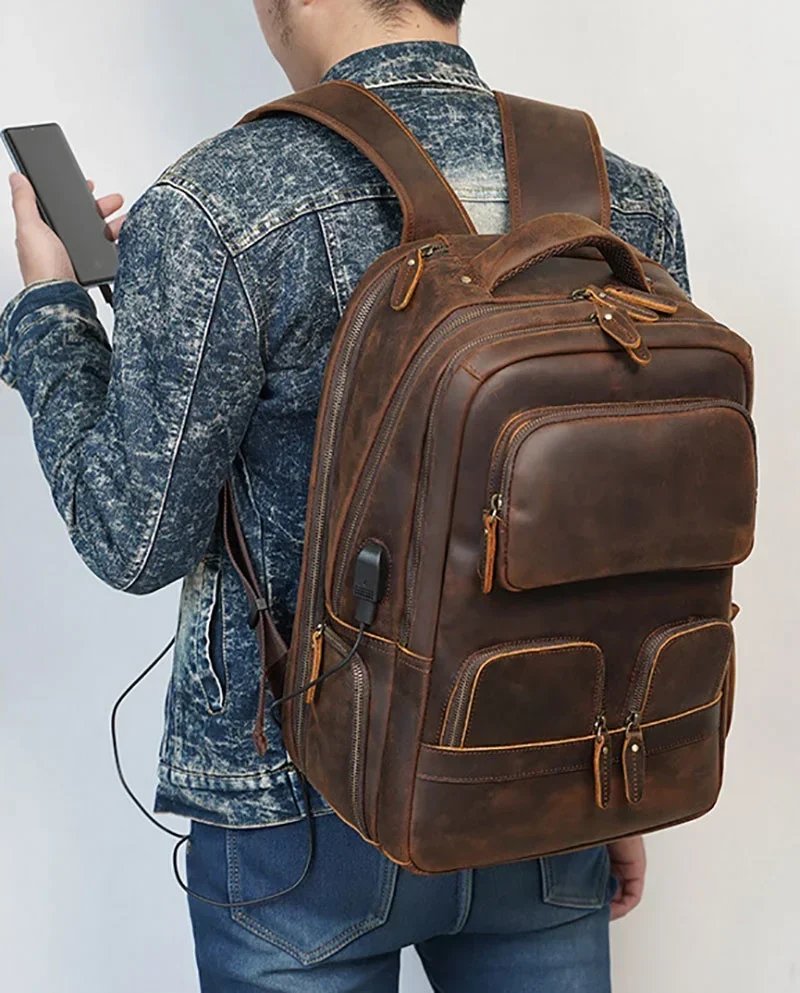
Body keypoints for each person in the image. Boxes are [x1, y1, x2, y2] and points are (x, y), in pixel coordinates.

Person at [1, 1, 691, 990]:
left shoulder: (216, 204)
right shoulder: (626, 200)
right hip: (547, 771)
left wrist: (51, 313)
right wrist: (613, 785)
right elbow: (632, 533)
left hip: (294, 805)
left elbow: (130, 538)